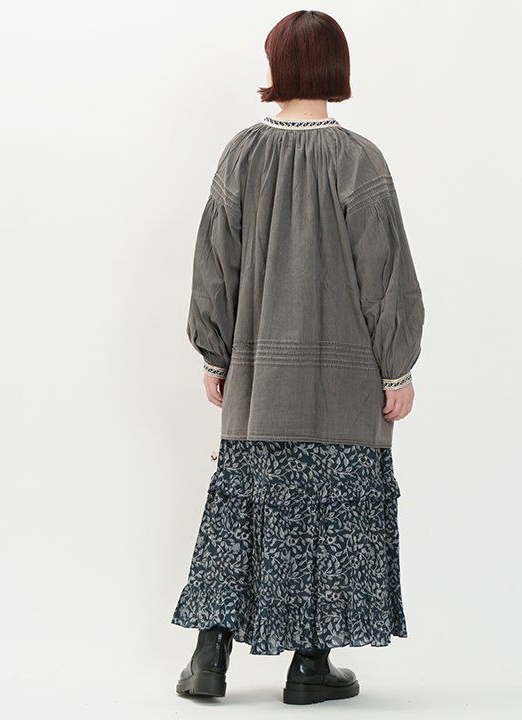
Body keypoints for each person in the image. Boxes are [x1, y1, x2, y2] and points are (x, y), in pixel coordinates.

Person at [171, 9, 425, 705]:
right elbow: (385, 276)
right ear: (338, 67)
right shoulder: (358, 159)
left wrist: (216, 356)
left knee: (242, 514)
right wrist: (397, 367)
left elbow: (214, 265)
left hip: (259, 383)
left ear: (276, 66)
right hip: (346, 387)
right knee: (332, 517)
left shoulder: (242, 154)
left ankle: (208, 659)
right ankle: (311, 667)